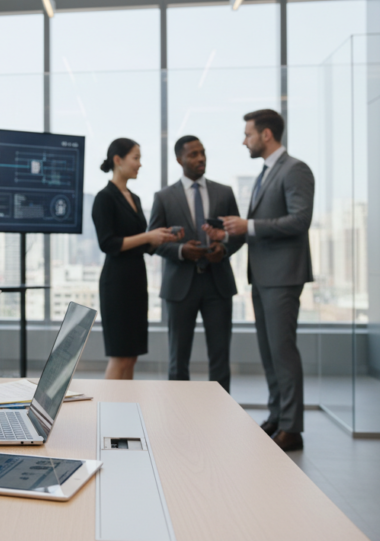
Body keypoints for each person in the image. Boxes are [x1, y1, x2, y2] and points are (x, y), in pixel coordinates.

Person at [204, 109, 314, 452]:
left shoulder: (295, 170)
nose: (244, 140)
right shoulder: (266, 173)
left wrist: (247, 226)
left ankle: (292, 428)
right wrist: (226, 235)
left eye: (248, 134)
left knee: (282, 350)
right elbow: (261, 226)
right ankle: (277, 416)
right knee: (269, 351)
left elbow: (299, 220)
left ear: (266, 135)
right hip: (263, 275)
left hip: (283, 276)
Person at [148, 135, 243, 392]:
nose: (200, 158)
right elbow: (153, 242)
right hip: (180, 287)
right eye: (193, 154)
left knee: (220, 358)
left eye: (202, 153)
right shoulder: (164, 197)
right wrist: (180, 251)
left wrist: (222, 249)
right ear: (179, 160)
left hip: (218, 284)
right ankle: (178, 415)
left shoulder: (224, 192)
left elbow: (238, 234)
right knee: (178, 360)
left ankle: (221, 416)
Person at [92, 138, 182, 380]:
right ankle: (107, 410)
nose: (140, 164)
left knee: (131, 355)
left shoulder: (135, 198)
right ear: (118, 160)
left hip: (135, 280)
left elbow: (142, 243)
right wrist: (147, 236)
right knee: (120, 355)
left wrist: (161, 238)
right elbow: (108, 244)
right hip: (117, 283)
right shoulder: (104, 198)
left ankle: (122, 410)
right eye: (136, 158)